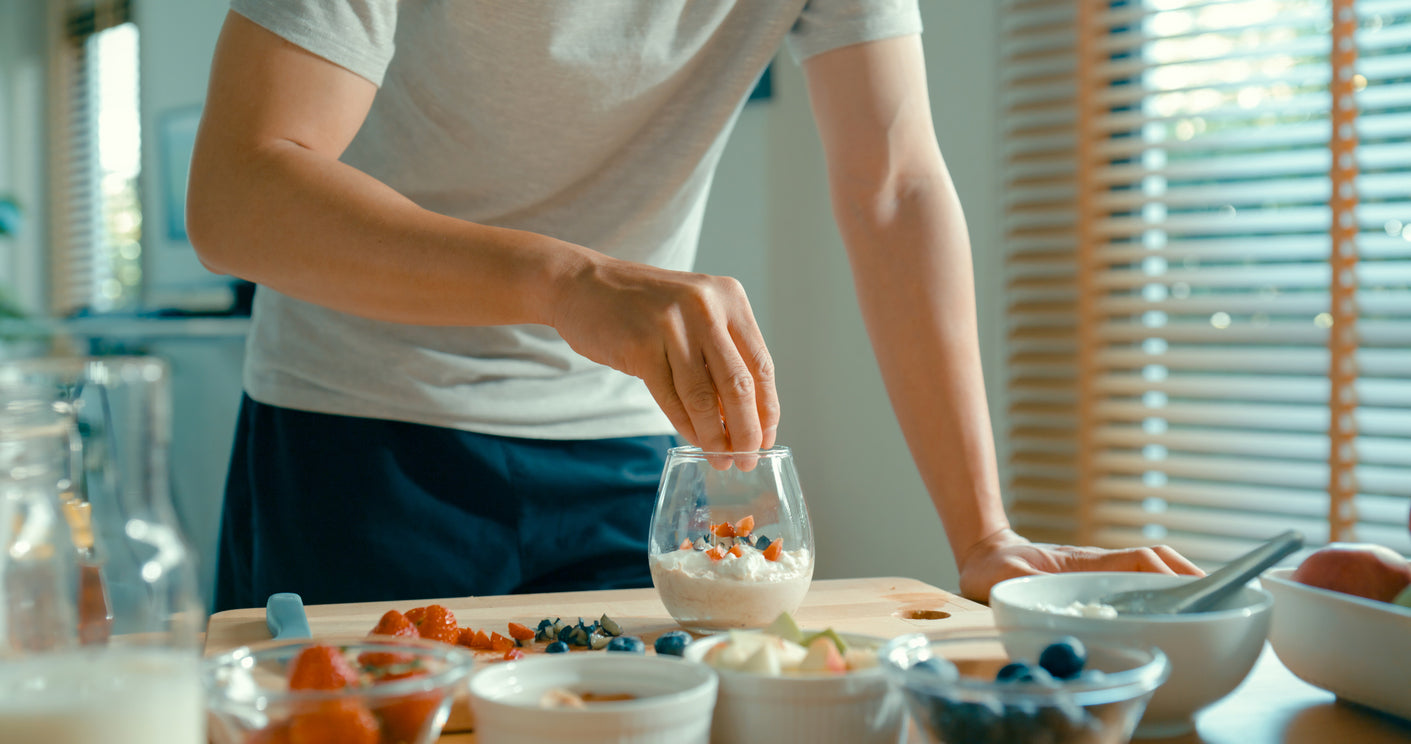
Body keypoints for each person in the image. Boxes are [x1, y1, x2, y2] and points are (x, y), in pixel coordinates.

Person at [189, 0, 1201, 612]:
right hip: (354, 441)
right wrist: (566, 282)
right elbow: (240, 193)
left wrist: (984, 534)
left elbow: (892, 186)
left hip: (631, 462)